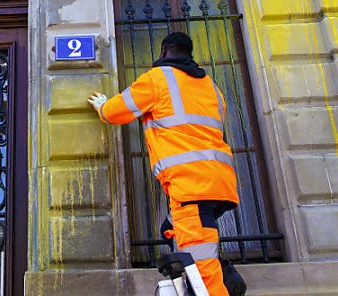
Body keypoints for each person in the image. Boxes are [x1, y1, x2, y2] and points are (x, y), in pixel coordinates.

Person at [88, 31, 243, 296]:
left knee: (203, 268)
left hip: (190, 185)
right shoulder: (211, 87)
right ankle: (205, 280)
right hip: (219, 183)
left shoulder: (158, 79)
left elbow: (116, 111)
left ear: (163, 52)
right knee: (171, 230)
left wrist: (103, 107)